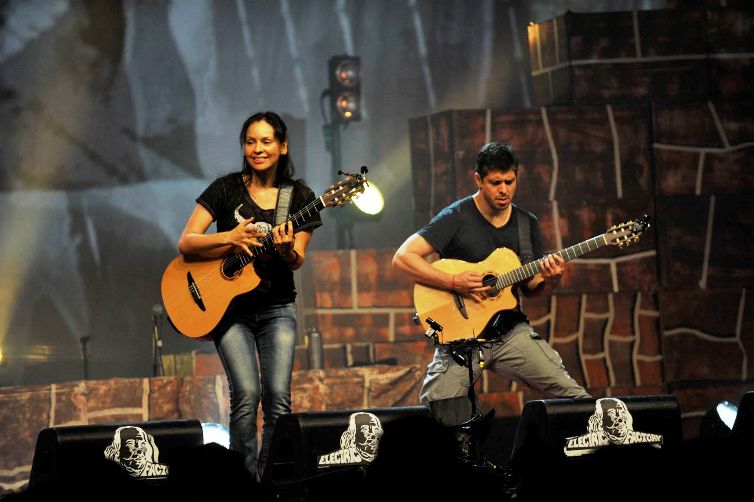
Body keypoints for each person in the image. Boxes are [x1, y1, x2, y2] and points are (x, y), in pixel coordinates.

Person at [392, 141, 589, 426]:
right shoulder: (456, 216)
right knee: (439, 407)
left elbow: (532, 288)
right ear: (478, 180)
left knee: (574, 396)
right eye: (495, 182)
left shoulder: (526, 224)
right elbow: (403, 257)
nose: (504, 190)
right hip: (462, 339)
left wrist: (552, 279)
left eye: (510, 181)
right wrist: (454, 281)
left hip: (509, 332)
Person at [176, 111, 321, 479]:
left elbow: (296, 259)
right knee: (246, 395)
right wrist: (231, 237)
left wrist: (286, 249)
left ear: (282, 146)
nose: (258, 149)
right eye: (251, 141)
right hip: (230, 311)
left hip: (277, 309)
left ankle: (272, 480)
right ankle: (240, 483)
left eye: (266, 141)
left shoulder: (300, 197)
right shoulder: (225, 189)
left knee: (278, 399)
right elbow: (186, 242)